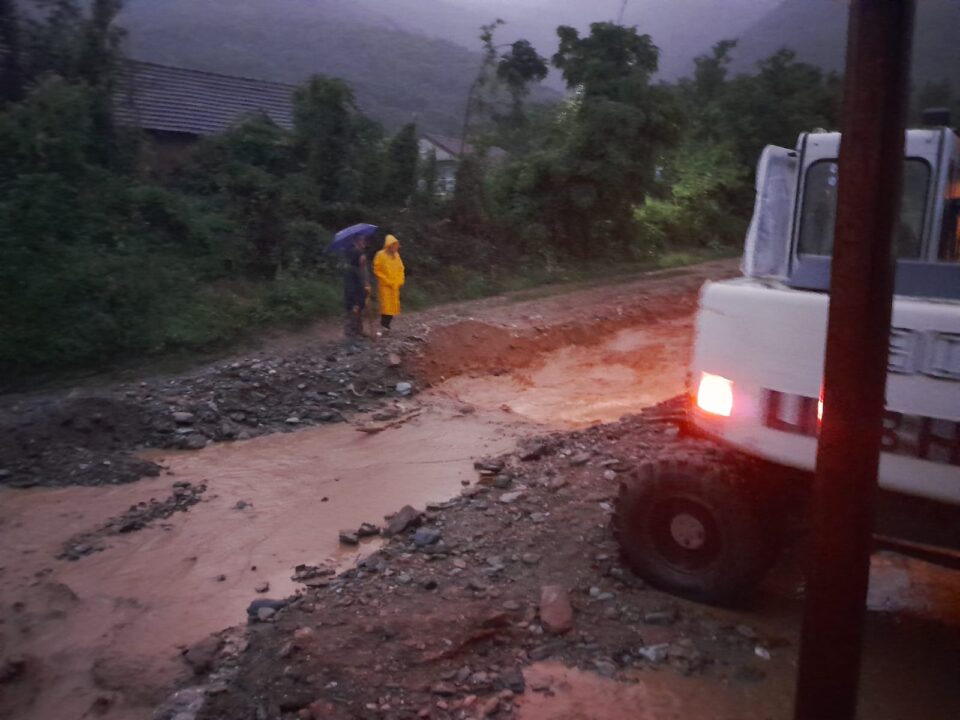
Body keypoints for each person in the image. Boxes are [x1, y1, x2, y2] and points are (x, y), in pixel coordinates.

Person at [372, 234, 405, 336]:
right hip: (385, 286)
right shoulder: (380, 255)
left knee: (393, 307)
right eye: (394, 245)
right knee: (386, 307)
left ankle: (387, 326)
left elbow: (401, 269)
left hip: (394, 286)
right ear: (389, 245)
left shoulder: (397, 256)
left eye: (396, 245)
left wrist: (400, 281)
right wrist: (386, 280)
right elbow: (377, 270)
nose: (395, 247)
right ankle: (384, 326)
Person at [343, 235, 371, 337]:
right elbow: (350, 289)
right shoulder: (351, 271)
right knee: (352, 318)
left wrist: (366, 285)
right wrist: (354, 303)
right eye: (362, 258)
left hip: (360, 296)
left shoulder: (360, 269)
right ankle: (350, 340)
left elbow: (362, 282)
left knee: (359, 316)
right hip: (353, 299)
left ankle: (359, 332)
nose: (364, 259)